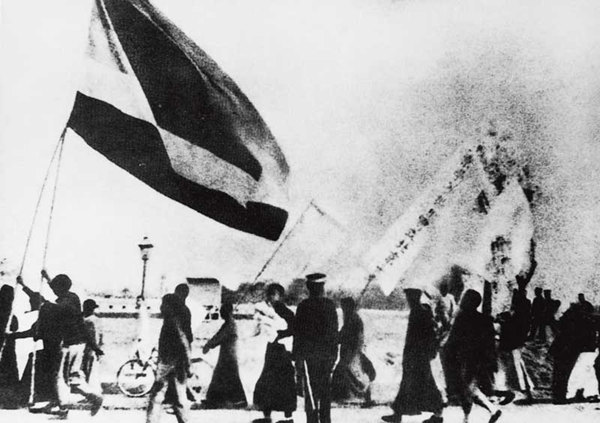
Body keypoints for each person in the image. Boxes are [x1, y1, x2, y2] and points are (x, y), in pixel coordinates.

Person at [42, 270, 104, 417]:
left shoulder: (65, 303)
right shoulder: (73, 297)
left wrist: (45, 303)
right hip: (79, 344)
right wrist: (46, 277)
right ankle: (93, 396)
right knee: (74, 378)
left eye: (55, 288)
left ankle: (64, 408)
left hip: (69, 345)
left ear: (61, 288)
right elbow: (56, 288)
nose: (54, 291)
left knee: (60, 377)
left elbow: (60, 307)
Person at [382, 288, 443, 423]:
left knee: (423, 384)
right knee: (413, 384)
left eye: (410, 298)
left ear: (415, 298)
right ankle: (399, 413)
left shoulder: (418, 312)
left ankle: (437, 414)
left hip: (416, 356)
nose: (408, 300)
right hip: (417, 355)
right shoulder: (422, 312)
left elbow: (420, 337)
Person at [444, 289, 502, 423]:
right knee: (469, 388)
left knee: (467, 388)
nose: (462, 300)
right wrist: (491, 360)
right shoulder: (485, 319)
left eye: (464, 298)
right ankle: (469, 417)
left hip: (464, 359)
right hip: (480, 360)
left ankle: (490, 410)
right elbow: (490, 342)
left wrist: (448, 353)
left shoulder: (462, 318)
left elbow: (453, 340)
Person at [293, 273, 338, 423]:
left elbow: (298, 334)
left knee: (310, 395)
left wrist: (297, 357)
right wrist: (333, 356)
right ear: (322, 288)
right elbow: (333, 334)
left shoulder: (303, 306)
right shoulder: (329, 306)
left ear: (308, 288)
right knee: (324, 394)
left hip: (308, 357)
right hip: (325, 356)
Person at [13, 276, 63, 409]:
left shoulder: (45, 311)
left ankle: (28, 395)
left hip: (52, 348)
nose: (31, 307)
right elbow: (34, 296)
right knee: (35, 359)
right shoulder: (46, 305)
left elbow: (34, 331)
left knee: (35, 361)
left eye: (31, 304)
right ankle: (40, 396)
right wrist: (23, 285)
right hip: (54, 346)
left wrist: (13, 336)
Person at [253, 283, 296, 423]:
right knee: (268, 379)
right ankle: (267, 413)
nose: (271, 297)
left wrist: (279, 335)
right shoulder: (265, 311)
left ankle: (288, 415)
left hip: (282, 349)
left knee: (285, 380)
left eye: (274, 294)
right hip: (272, 348)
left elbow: (293, 330)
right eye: (270, 294)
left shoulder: (286, 312)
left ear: (280, 296)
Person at [146, 294, 192, 423]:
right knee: (178, 398)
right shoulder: (172, 320)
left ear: (170, 306)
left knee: (158, 395)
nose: (161, 307)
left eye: (163, 304)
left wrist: (189, 363)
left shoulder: (172, 321)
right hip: (176, 363)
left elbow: (183, 340)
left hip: (169, 363)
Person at [203, 301, 247, 408]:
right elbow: (218, 335)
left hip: (229, 355)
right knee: (221, 376)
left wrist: (209, 345)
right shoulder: (228, 323)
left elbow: (220, 337)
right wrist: (209, 344)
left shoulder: (230, 324)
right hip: (227, 354)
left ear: (228, 312)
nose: (221, 313)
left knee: (230, 376)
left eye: (223, 311)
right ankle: (215, 400)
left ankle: (239, 400)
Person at [332, 297, 375, 406]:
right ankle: (359, 396)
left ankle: (359, 396)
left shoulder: (352, 319)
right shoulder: (352, 318)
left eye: (344, 307)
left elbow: (349, 336)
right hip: (352, 352)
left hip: (351, 352)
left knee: (348, 374)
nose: (343, 310)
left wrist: (335, 338)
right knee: (349, 374)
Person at [0, 284, 20, 408]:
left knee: (7, 370)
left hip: (7, 349)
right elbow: (14, 328)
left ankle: (9, 400)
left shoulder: (11, 316)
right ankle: (9, 401)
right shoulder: (11, 315)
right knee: (8, 371)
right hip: (7, 349)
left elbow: (13, 329)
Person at [82, 299, 103, 391]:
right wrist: (99, 348)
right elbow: (101, 336)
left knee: (86, 369)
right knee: (92, 368)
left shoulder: (87, 321)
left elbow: (90, 337)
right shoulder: (97, 320)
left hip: (89, 348)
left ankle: (88, 388)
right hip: (96, 347)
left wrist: (95, 348)